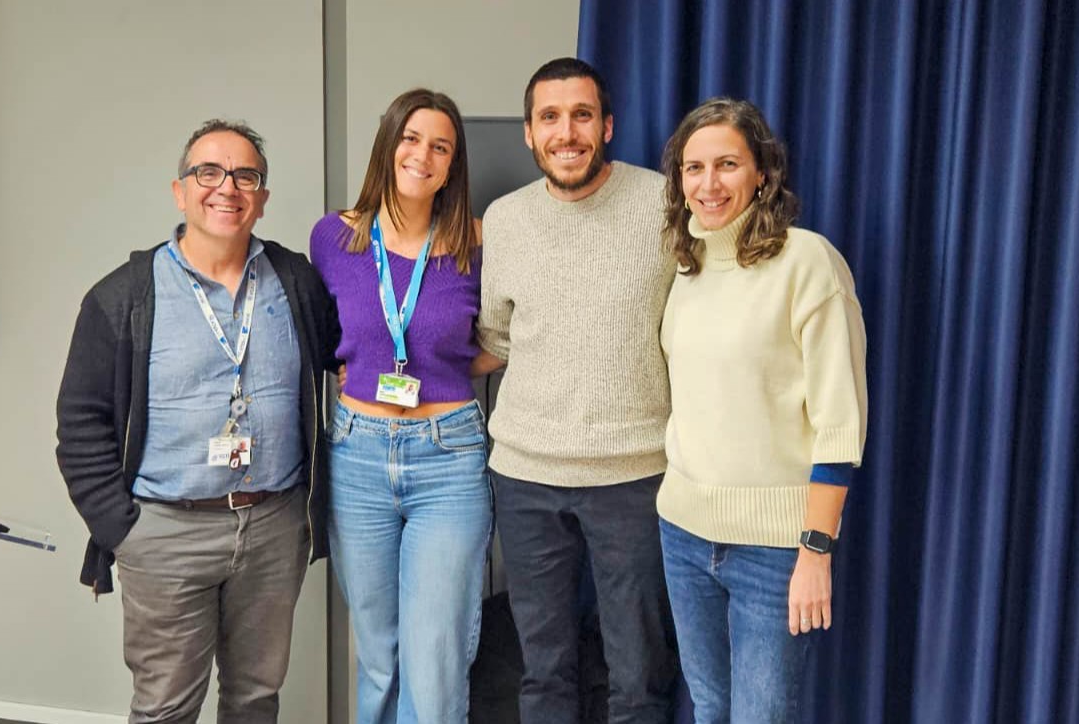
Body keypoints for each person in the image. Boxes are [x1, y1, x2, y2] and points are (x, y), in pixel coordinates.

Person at [55, 119, 338, 723]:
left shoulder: (297, 283)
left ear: (262, 197)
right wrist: (124, 530)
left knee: (255, 701)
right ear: (179, 191)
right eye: (208, 172)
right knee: (165, 709)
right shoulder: (123, 297)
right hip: (166, 533)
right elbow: (79, 424)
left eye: (245, 176)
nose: (226, 187)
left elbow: (352, 353)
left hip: (273, 526)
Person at [478, 57, 679, 724]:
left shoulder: (664, 204)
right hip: (526, 478)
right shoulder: (504, 220)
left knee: (639, 674)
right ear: (530, 133)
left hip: (634, 477)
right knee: (543, 672)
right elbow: (497, 335)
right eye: (550, 118)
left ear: (608, 126)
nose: (567, 133)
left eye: (582, 116)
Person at [656, 97, 868, 723]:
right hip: (682, 533)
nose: (709, 184)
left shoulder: (808, 262)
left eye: (727, 164)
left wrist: (816, 551)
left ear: (762, 174)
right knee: (709, 711)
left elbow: (839, 423)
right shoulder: (687, 268)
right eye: (694, 168)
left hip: (775, 550)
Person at [309, 88, 499, 723]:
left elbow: (503, 337)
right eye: (412, 139)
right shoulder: (334, 237)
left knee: (434, 657)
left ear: (453, 165)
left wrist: (444, 369)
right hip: (356, 453)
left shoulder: (477, 243)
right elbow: (327, 329)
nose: (423, 155)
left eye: (440, 147)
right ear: (388, 145)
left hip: (447, 458)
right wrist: (356, 366)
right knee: (379, 655)